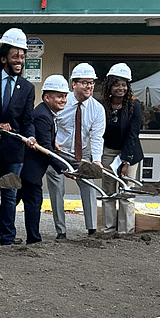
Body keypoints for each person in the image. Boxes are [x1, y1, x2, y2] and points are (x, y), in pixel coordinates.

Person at [0, 28, 35, 247]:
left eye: (22, 57)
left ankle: (6, 236)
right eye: (15, 56)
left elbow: (28, 120)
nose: (19, 60)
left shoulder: (28, 87)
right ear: (4, 58)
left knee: (10, 195)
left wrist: (30, 138)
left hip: (15, 150)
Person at [45, 63, 106, 236]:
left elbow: (96, 137)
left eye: (92, 83)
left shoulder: (97, 109)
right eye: (84, 82)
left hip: (82, 153)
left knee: (88, 186)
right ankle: (61, 231)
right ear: (74, 84)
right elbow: (51, 126)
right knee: (57, 189)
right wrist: (52, 145)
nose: (89, 86)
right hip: (59, 152)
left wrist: (96, 161)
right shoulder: (62, 103)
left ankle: (92, 228)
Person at [18, 75, 71, 243]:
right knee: (33, 202)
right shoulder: (42, 115)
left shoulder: (47, 113)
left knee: (13, 201)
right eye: (59, 96)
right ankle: (33, 239)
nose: (64, 100)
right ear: (47, 97)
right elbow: (44, 149)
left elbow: (47, 143)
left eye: (65, 96)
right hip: (31, 169)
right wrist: (65, 168)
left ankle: (0, 233)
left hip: (32, 168)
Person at [99, 63, 144, 234]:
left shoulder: (135, 107)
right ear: (109, 86)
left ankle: (126, 232)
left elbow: (132, 135)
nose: (121, 88)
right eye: (117, 84)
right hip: (108, 152)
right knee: (108, 192)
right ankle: (108, 231)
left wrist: (125, 161)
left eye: (124, 85)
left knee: (126, 192)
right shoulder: (101, 106)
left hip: (129, 153)